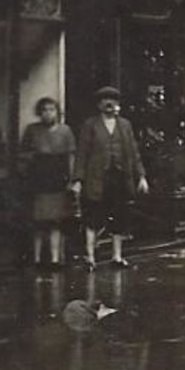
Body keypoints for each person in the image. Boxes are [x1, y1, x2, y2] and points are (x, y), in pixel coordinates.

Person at [74, 87, 148, 269]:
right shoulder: (90, 125)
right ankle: (90, 257)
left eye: (113, 100)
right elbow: (82, 154)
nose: (109, 104)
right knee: (92, 216)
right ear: (99, 105)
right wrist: (78, 180)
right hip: (97, 178)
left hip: (119, 177)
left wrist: (141, 176)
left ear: (117, 104)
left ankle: (117, 256)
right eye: (105, 100)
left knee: (119, 216)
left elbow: (133, 152)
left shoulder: (125, 125)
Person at [21, 96, 75, 269]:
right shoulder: (32, 130)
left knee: (56, 221)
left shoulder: (65, 131)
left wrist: (72, 179)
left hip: (58, 178)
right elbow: (24, 155)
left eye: (51, 109)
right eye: (44, 110)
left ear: (57, 112)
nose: (48, 113)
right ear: (39, 112)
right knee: (38, 221)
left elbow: (71, 156)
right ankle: (36, 259)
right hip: (38, 178)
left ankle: (54, 259)